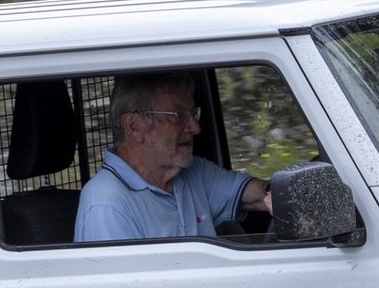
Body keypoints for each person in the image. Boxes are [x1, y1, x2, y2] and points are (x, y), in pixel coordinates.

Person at [73, 73, 272, 242]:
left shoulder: (191, 173)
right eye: (178, 115)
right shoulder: (106, 203)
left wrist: (293, 190)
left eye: (194, 113)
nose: (195, 127)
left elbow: (259, 196)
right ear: (134, 127)